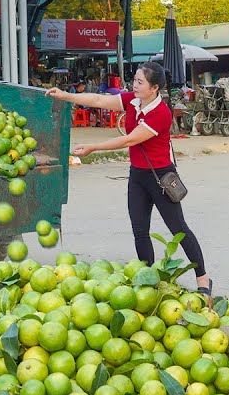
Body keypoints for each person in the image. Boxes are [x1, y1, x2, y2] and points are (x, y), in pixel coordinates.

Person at [47, 62, 213, 295]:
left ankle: (203, 279)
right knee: (140, 231)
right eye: (134, 80)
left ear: (154, 88)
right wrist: (65, 96)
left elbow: (129, 140)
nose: (134, 85)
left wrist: (93, 147)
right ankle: (150, 280)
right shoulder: (132, 101)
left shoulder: (160, 113)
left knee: (179, 229)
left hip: (161, 176)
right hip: (138, 176)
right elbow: (99, 100)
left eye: (139, 82)